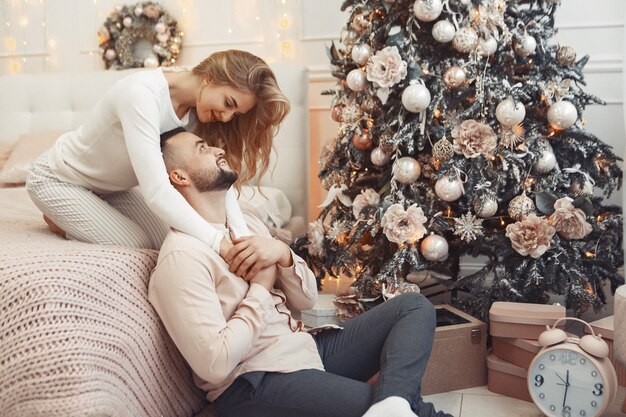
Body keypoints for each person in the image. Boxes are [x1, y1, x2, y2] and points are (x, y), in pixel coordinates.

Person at [148, 129, 454, 417]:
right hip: (254, 380)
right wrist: (259, 289)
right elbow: (214, 364)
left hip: (306, 349)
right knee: (388, 406)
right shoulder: (182, 256)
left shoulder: (247, 225)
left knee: (413, 307)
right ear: (179, 175)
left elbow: (306, 300)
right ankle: (394, 403)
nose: (217, 149)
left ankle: (394, 402)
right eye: (202, 148)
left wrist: (282, 256)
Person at [25, 50, 289, 256]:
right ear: (210, 77)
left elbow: (222, 179)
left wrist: (242, 238)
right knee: (139, 243)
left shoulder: (200, 111)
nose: (226, 116)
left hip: (112, 188)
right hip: (58, 178)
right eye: (228, 103)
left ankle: (81, 215)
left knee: (171, 238)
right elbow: (157, 192)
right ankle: (62, 222)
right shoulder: (142, 95)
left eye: (236, 113)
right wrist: (220, 244)